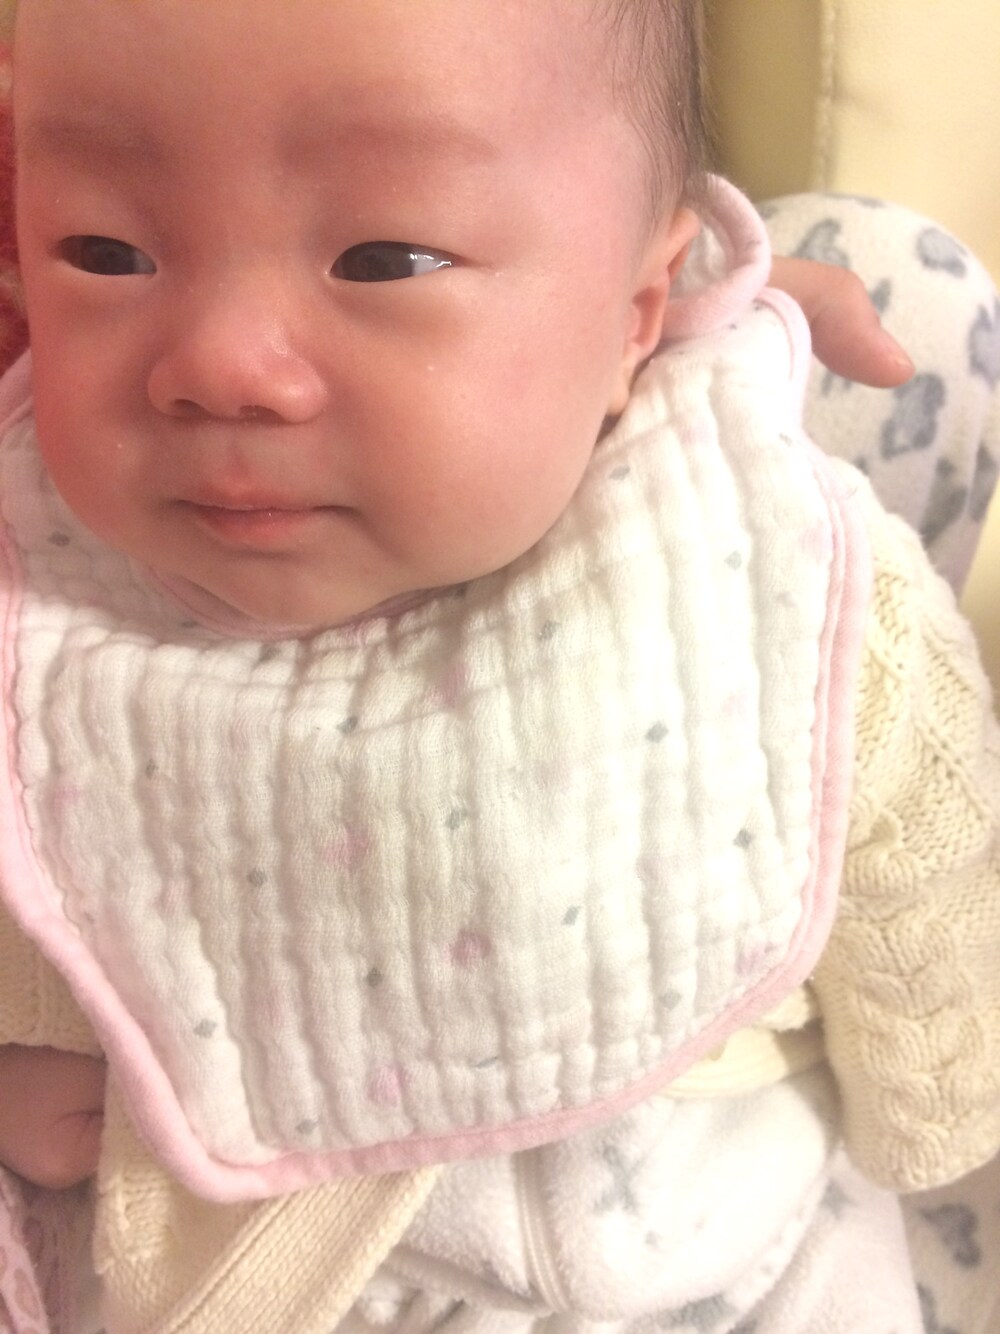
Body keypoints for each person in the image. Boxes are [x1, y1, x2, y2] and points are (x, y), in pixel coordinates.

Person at [0, 1, 997, 1331]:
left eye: (385, 258)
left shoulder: (747, 561)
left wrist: (940, 1124)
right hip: (242, 1259)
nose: (219, 365)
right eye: (105, 251)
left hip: (743, 1256)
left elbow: (922, 850)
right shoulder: (48, 595)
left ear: (636, 312)